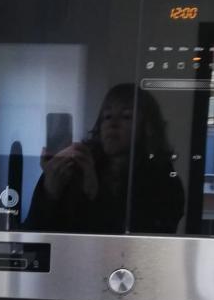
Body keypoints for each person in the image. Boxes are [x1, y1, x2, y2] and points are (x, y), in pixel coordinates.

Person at [26, 83, 184, 234]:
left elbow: (147, 241)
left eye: (126, 116)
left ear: (147, 126)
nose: (113, 124)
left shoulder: (164, 180)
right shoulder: (74, 166)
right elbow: (32, 235)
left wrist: (94, 193)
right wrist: (49, 192)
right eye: (107, 116)